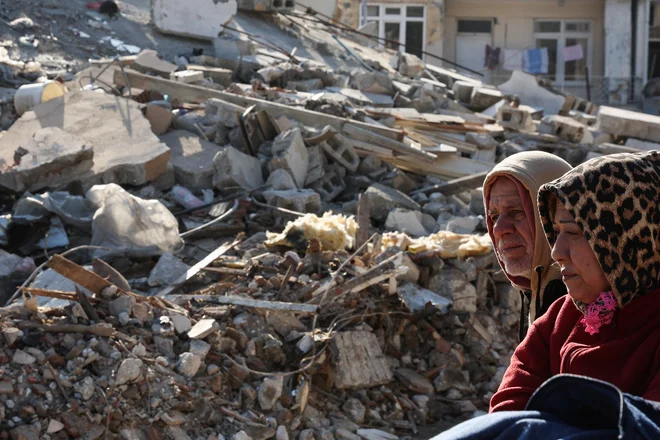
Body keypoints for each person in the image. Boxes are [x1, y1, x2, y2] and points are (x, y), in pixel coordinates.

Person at [432, 151, 660, 439]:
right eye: (555, 232)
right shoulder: (561, 318)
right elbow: (507, 410)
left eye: (574, 233)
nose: (556, 252)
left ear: (626, 237)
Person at [483, 151, 572, 340]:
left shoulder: (587, 311)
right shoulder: (538, 297)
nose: (499, 230)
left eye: (516, 211)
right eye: (494, 216)